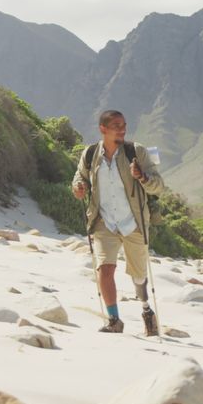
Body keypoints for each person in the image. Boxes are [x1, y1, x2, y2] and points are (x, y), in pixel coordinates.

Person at [72, 110, 165, 334]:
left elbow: (158, 186)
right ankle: (114, 320)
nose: (122, 129)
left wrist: (141, 176)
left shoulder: (137, 151)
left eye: (124, 124)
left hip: (133, 222)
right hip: (104, 222)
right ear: (103, 129)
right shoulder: (90, 153)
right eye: (116, 125)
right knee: (105, 270)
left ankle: (145, 309)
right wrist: (78, 188)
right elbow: (79, 178)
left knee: (139, 275)